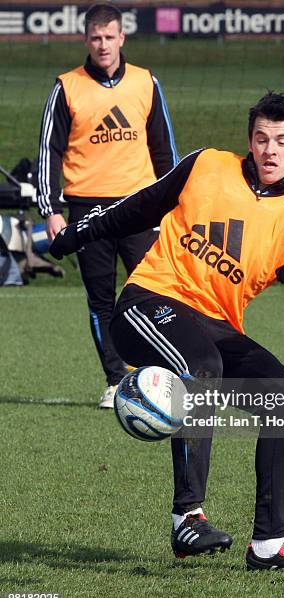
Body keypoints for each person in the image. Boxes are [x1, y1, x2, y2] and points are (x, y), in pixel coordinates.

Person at [49, 92, 284, 573]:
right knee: (203, 367)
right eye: (261, 138)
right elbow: (141, 206)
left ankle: (268, 545)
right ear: (249, 140)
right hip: (148, 304)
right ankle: (187, 517)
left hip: (216, 324)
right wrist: (79, 231)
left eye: (283, 141)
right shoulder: (207, 164)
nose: (269, 150)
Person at [37, 3, 178, 408]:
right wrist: (51, 209)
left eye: (109, 37)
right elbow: (49, 150)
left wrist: (173, 202)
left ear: (122, 38)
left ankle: (165, 374)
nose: (103, 45)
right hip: (87, 211)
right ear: (86, 39)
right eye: (95, 38)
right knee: (101, 298)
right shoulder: (66, 87)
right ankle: (117, 381)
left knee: (153, 292)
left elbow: (164, 148)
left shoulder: (146, 82)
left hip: (139, 207)